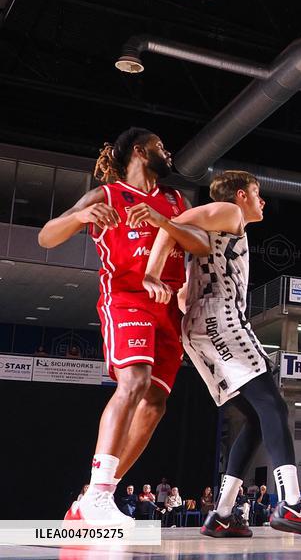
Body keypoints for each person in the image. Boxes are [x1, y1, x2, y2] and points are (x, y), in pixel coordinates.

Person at [144, 170, 301, 539]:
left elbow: (186, 263)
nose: (262, 201)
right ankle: (292, 505)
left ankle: (223, 513)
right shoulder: (230, 213)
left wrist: (188, 296)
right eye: (258, 193)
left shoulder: (220, 231)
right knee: (273, 407)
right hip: (221, 319)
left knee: (256, 417)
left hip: (203, 326)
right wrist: (152, 274)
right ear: (242, 194)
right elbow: (171, 225)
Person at [39, 128, 197, 527]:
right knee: (134, 383)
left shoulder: (177, 200)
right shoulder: (107, 195)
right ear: (141, 152)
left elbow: (198, 245)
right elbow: (46, 236)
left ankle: (94, 496)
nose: (169, 151)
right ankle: (99, 495)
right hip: (126, 298)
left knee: (156, 403)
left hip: (170, 306)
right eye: (162, 146)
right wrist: (78, 216)